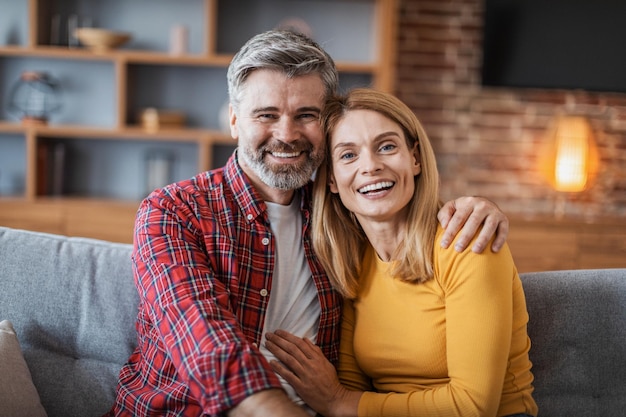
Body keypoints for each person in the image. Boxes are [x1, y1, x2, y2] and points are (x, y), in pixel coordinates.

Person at [106, 30, 511, 417]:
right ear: (233, 121)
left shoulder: (341, 220)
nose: (286, 134)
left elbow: (403, 207)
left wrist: (480, 206)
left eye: (306, 115)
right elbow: (207, 346)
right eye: (267, 115)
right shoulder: (173, 211)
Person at [265, 88, 537, 417]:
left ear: (416, 158)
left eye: (387, 147)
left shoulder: (466, 244)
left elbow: (472, 407)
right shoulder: (356, 262)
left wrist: (338, 401)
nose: (371, 166)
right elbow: (353, 388)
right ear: (333, 180)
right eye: (348, 155)